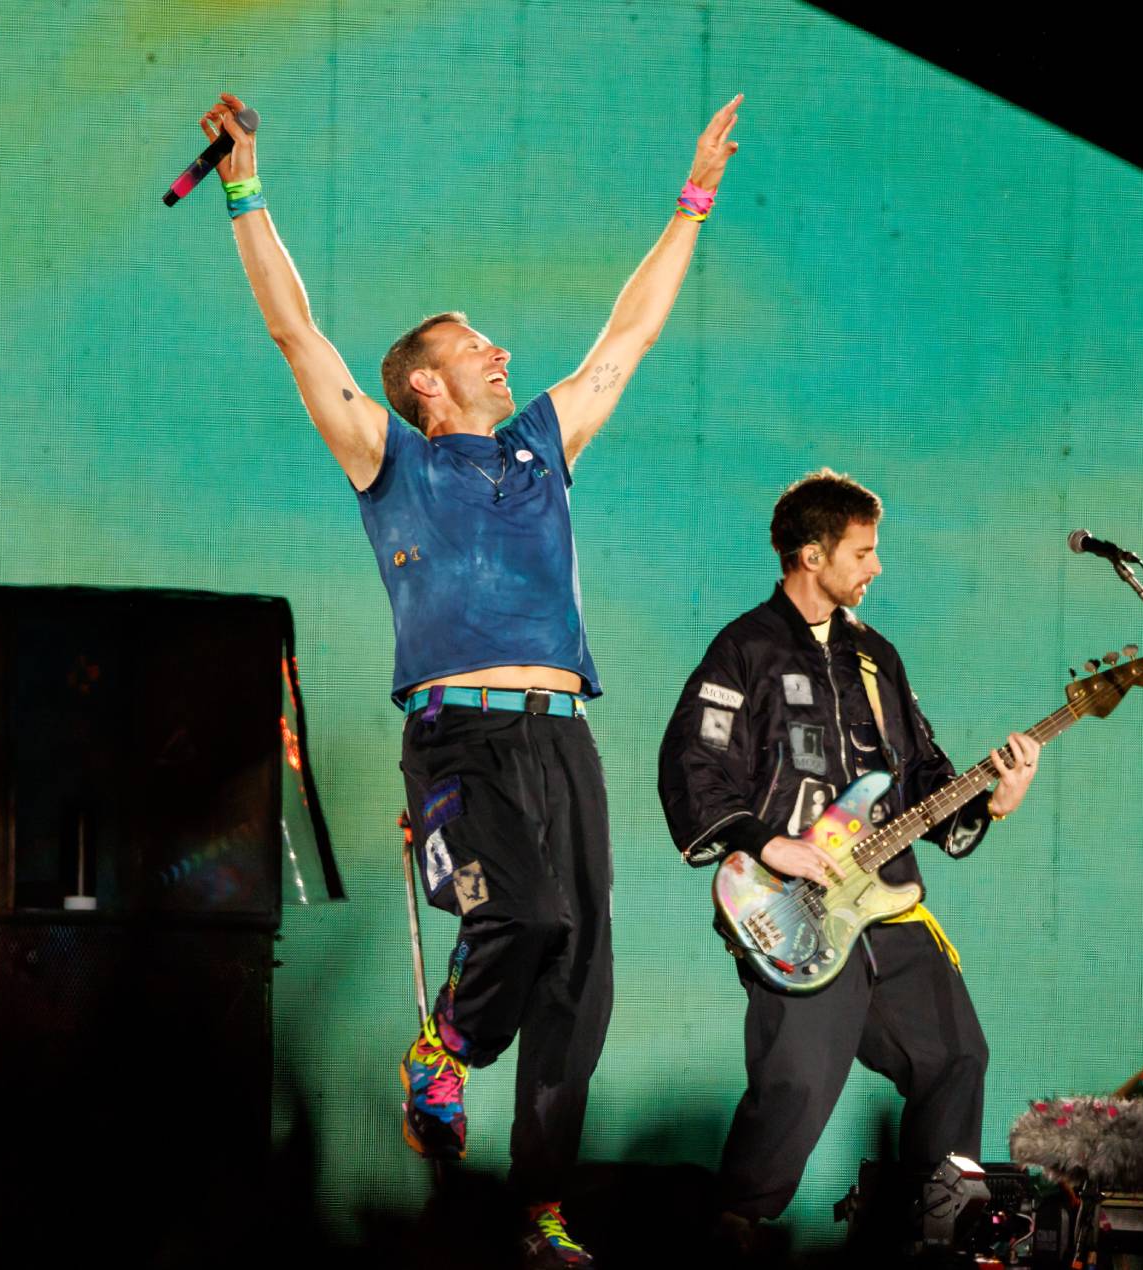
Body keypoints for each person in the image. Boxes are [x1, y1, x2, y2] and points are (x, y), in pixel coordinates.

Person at [202, 89, 742, 1268]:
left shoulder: (540, 447)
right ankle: (442, 1047)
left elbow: (628, 336)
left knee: (580, 985)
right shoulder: (387, 459)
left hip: (563, 739)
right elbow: (297, 332)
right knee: (524, 917)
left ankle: (542, 1211)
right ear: (426, 384)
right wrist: (245, 187)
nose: (502, 351)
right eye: (472, 345)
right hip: (461, 739)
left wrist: (692, 196)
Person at [656, 469, 1043, 1243]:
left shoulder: (877, 660)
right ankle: (730, 1236)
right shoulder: (744, 650)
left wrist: (993, 800)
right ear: (810, 556)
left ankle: (938, 1233)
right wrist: (772, 845)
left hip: (889, 906)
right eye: (862, 553)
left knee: (956, 1055)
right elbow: (693, 766)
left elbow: (924, 777)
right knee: (795, 1083)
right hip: (792, 910)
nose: (875, 568)